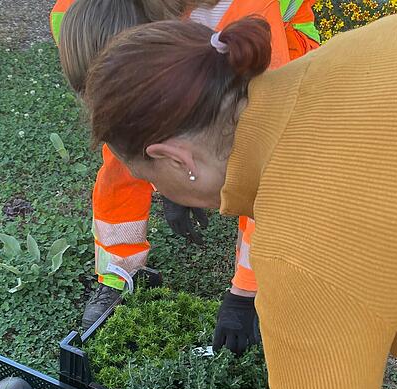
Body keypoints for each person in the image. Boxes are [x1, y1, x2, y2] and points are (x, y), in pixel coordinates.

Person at [82, 13, 397, 389]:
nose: (161, 196)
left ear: (177, 159)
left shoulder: (301, 256)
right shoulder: (357, 50)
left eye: (151, 180)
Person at [50, 0, 321, 346]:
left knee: (243, 159)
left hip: (285, 53)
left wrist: (246, 292)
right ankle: (117, 275)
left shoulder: (239, 13)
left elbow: (264, 163)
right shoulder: (77, 16)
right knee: (123, 156)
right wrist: (172, 182)